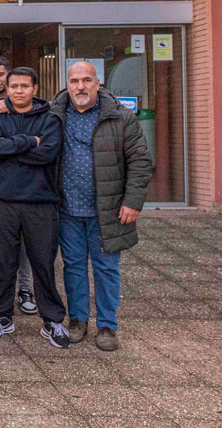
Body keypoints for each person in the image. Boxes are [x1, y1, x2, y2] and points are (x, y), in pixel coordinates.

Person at [50, 60, 151, 351]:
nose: (80, 86)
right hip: (68, 209)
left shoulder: (120, 117)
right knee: (73, 267)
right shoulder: (56, 114)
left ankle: (107, 325)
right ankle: (78, 320)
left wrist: (133, 202)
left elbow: (140, 161)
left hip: (108, 211)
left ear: (98, 83)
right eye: (74, 81)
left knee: (106, 269)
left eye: (86, 80)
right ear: (66, 85)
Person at [0, 67, 69, 348]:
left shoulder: (50, 118)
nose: (18, 91)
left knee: (43, 261)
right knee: (3, 260)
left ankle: (52, 320)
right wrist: (29, 142)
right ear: (6, 88)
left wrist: (11, 150)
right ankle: (1, 315)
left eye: (24, 86)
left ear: (35, 88)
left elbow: (48, 154)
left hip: (40, 201)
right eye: (13, 86)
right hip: (1, 199)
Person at [0, 56, 37, 316]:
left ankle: (25, 288)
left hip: (26, 181)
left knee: (25, 239)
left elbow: (40, 143)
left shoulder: (30, 105)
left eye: (1, 74)